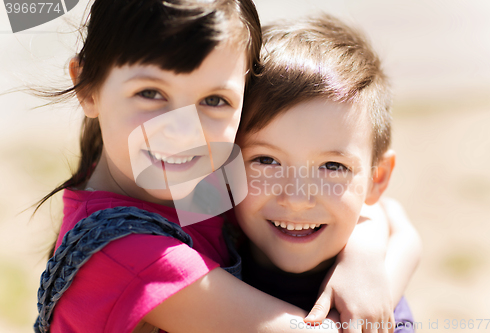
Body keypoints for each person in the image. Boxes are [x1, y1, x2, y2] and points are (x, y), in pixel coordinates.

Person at [32, 0, 418, 331]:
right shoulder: (126, 254)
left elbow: (389, 212)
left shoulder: (195, 183)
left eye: (214, 100)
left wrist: (362, 257)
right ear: (86, 87)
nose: (185, 131)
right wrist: (380, 288)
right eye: (150, 93)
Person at [233, 14, 422, 332]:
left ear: (377, 178)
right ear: (223, 162)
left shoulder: (380, 314)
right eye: (266, 160)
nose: (295, 198)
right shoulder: (197, 232)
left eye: (332, 166)